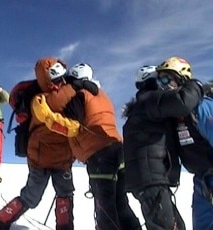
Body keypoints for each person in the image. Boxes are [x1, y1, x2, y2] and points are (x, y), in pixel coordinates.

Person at [31, 63, 142, 230]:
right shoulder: (102, 95)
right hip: (118, 149)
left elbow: (74, 127)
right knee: (121, 203)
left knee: (105, 207)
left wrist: (48, 116)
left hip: (99, 155)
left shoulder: (80, 95)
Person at [0, 58, 92, 230]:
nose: (62, 82)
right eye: (58, 79)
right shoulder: (56, 97)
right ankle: (63, 227)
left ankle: (1, 221)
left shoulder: (39, 98)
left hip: (42, 157)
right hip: (55, 158)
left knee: (36, 196)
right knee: (60, 195)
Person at [122, 60, 204, 230]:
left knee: (175, 226)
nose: (164, 85)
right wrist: (195, 85)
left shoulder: (142, 106)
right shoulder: (151, 100)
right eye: (161, 80)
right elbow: (182, 102)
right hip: (151, 180)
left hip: (148, 179)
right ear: (152, 82)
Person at [156, 57, 213, 230]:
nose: (162, 85)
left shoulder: (201, 107)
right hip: (201, 180)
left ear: (181, 79)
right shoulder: (173, 117)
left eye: (166, 79)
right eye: (159, 80)